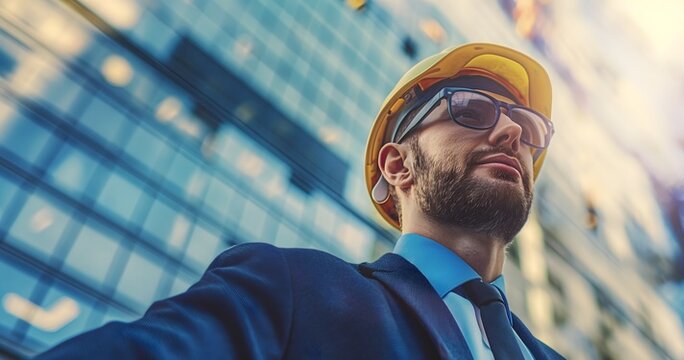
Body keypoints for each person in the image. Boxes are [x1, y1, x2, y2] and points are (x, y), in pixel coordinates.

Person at [37, 42, 563, 359]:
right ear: (398, 166)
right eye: (473, 109)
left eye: (526, 124)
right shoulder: (293, 288)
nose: (511, 133)